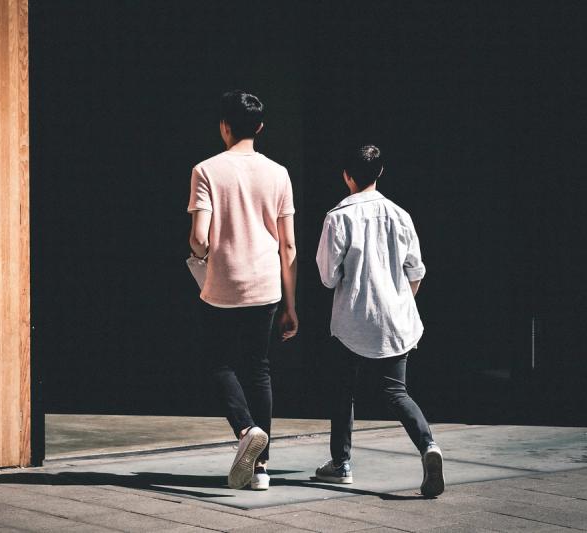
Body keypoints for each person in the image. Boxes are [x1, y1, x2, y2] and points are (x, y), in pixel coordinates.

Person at [314, 144, 444, 497]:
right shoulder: (400, 215)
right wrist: (399, 302)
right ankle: (428, 445)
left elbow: (327, 276)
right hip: (395, 320)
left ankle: (340, 464)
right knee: (396, 391)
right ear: (380, 173)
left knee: (343, 391)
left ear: (346, 176)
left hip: (352, 322)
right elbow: (415, 271)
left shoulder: (338, 217)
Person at [187, 90, 299, 490]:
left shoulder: (206, 170)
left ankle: (246, 429)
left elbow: (199, 238)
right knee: (259, 369)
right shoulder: (279, 173)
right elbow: (288, 246)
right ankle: (262, 469)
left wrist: (200, 250)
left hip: (223, 284)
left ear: (224, 126)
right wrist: (291, 304)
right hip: (267, 284)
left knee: (218, 363)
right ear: (261, 127)